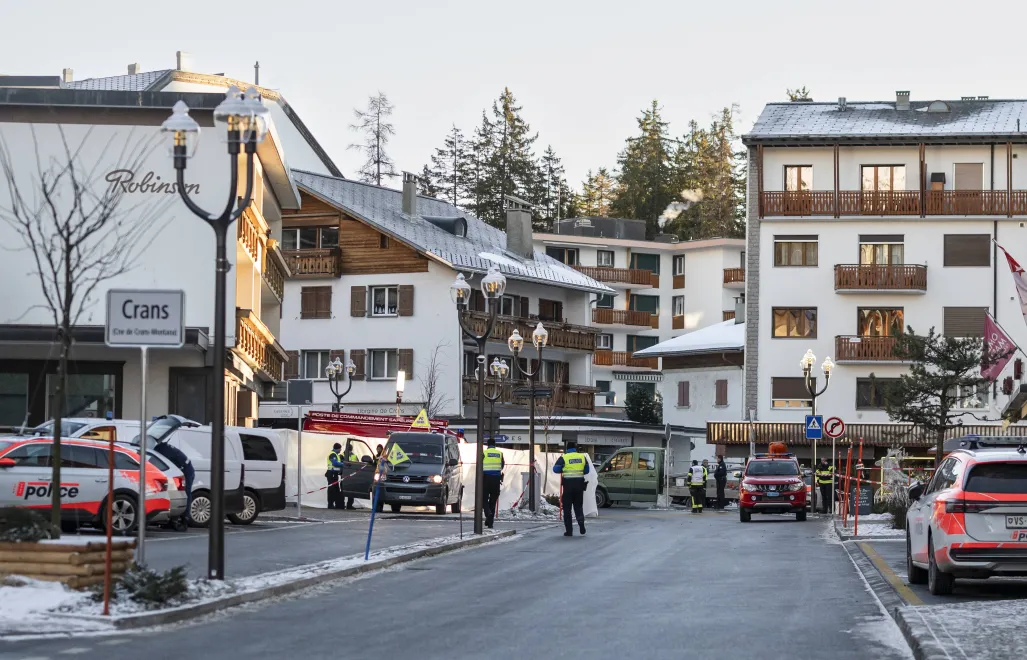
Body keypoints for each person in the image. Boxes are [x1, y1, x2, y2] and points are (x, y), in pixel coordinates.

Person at [553, 441, 589, 537]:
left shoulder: (564, 457)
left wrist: (563, 468)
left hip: (568, 486)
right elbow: (587, 470)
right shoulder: (582, 457)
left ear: (567, 449)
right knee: (578, 507)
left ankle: (569, 531)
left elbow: (555, 469)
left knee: (567, 509)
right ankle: (581, 523)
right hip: (579, 486)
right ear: (575, 448)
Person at [154, 438, 194, 524]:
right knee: (176, 493)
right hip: (185, 468)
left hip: (186, 470)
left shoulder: (161, 451)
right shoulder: (163, 447)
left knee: (184, 493)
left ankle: (185, 519)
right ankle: (175, 519)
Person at [482, 439, 505, 529]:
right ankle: (490, 523)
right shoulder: (499, 453)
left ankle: (488, 513)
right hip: (496, 479)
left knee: (483, 498)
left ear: (487, 445)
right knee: (493, 500)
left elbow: (479, 465)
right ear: (495, 445)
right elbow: (502, 465)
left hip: (485, 478)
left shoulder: (484, 453)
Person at [326, 443, 345, 509]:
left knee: (335, 489)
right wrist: (343, 464)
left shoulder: (336, 454)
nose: (340, 450)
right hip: (331, 474)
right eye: (340, 449)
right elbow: (335, 463)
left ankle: (334, 504)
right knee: (331, 489)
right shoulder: (332, 454)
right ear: (338, 448)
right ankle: (330, 504)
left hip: (334, 474)